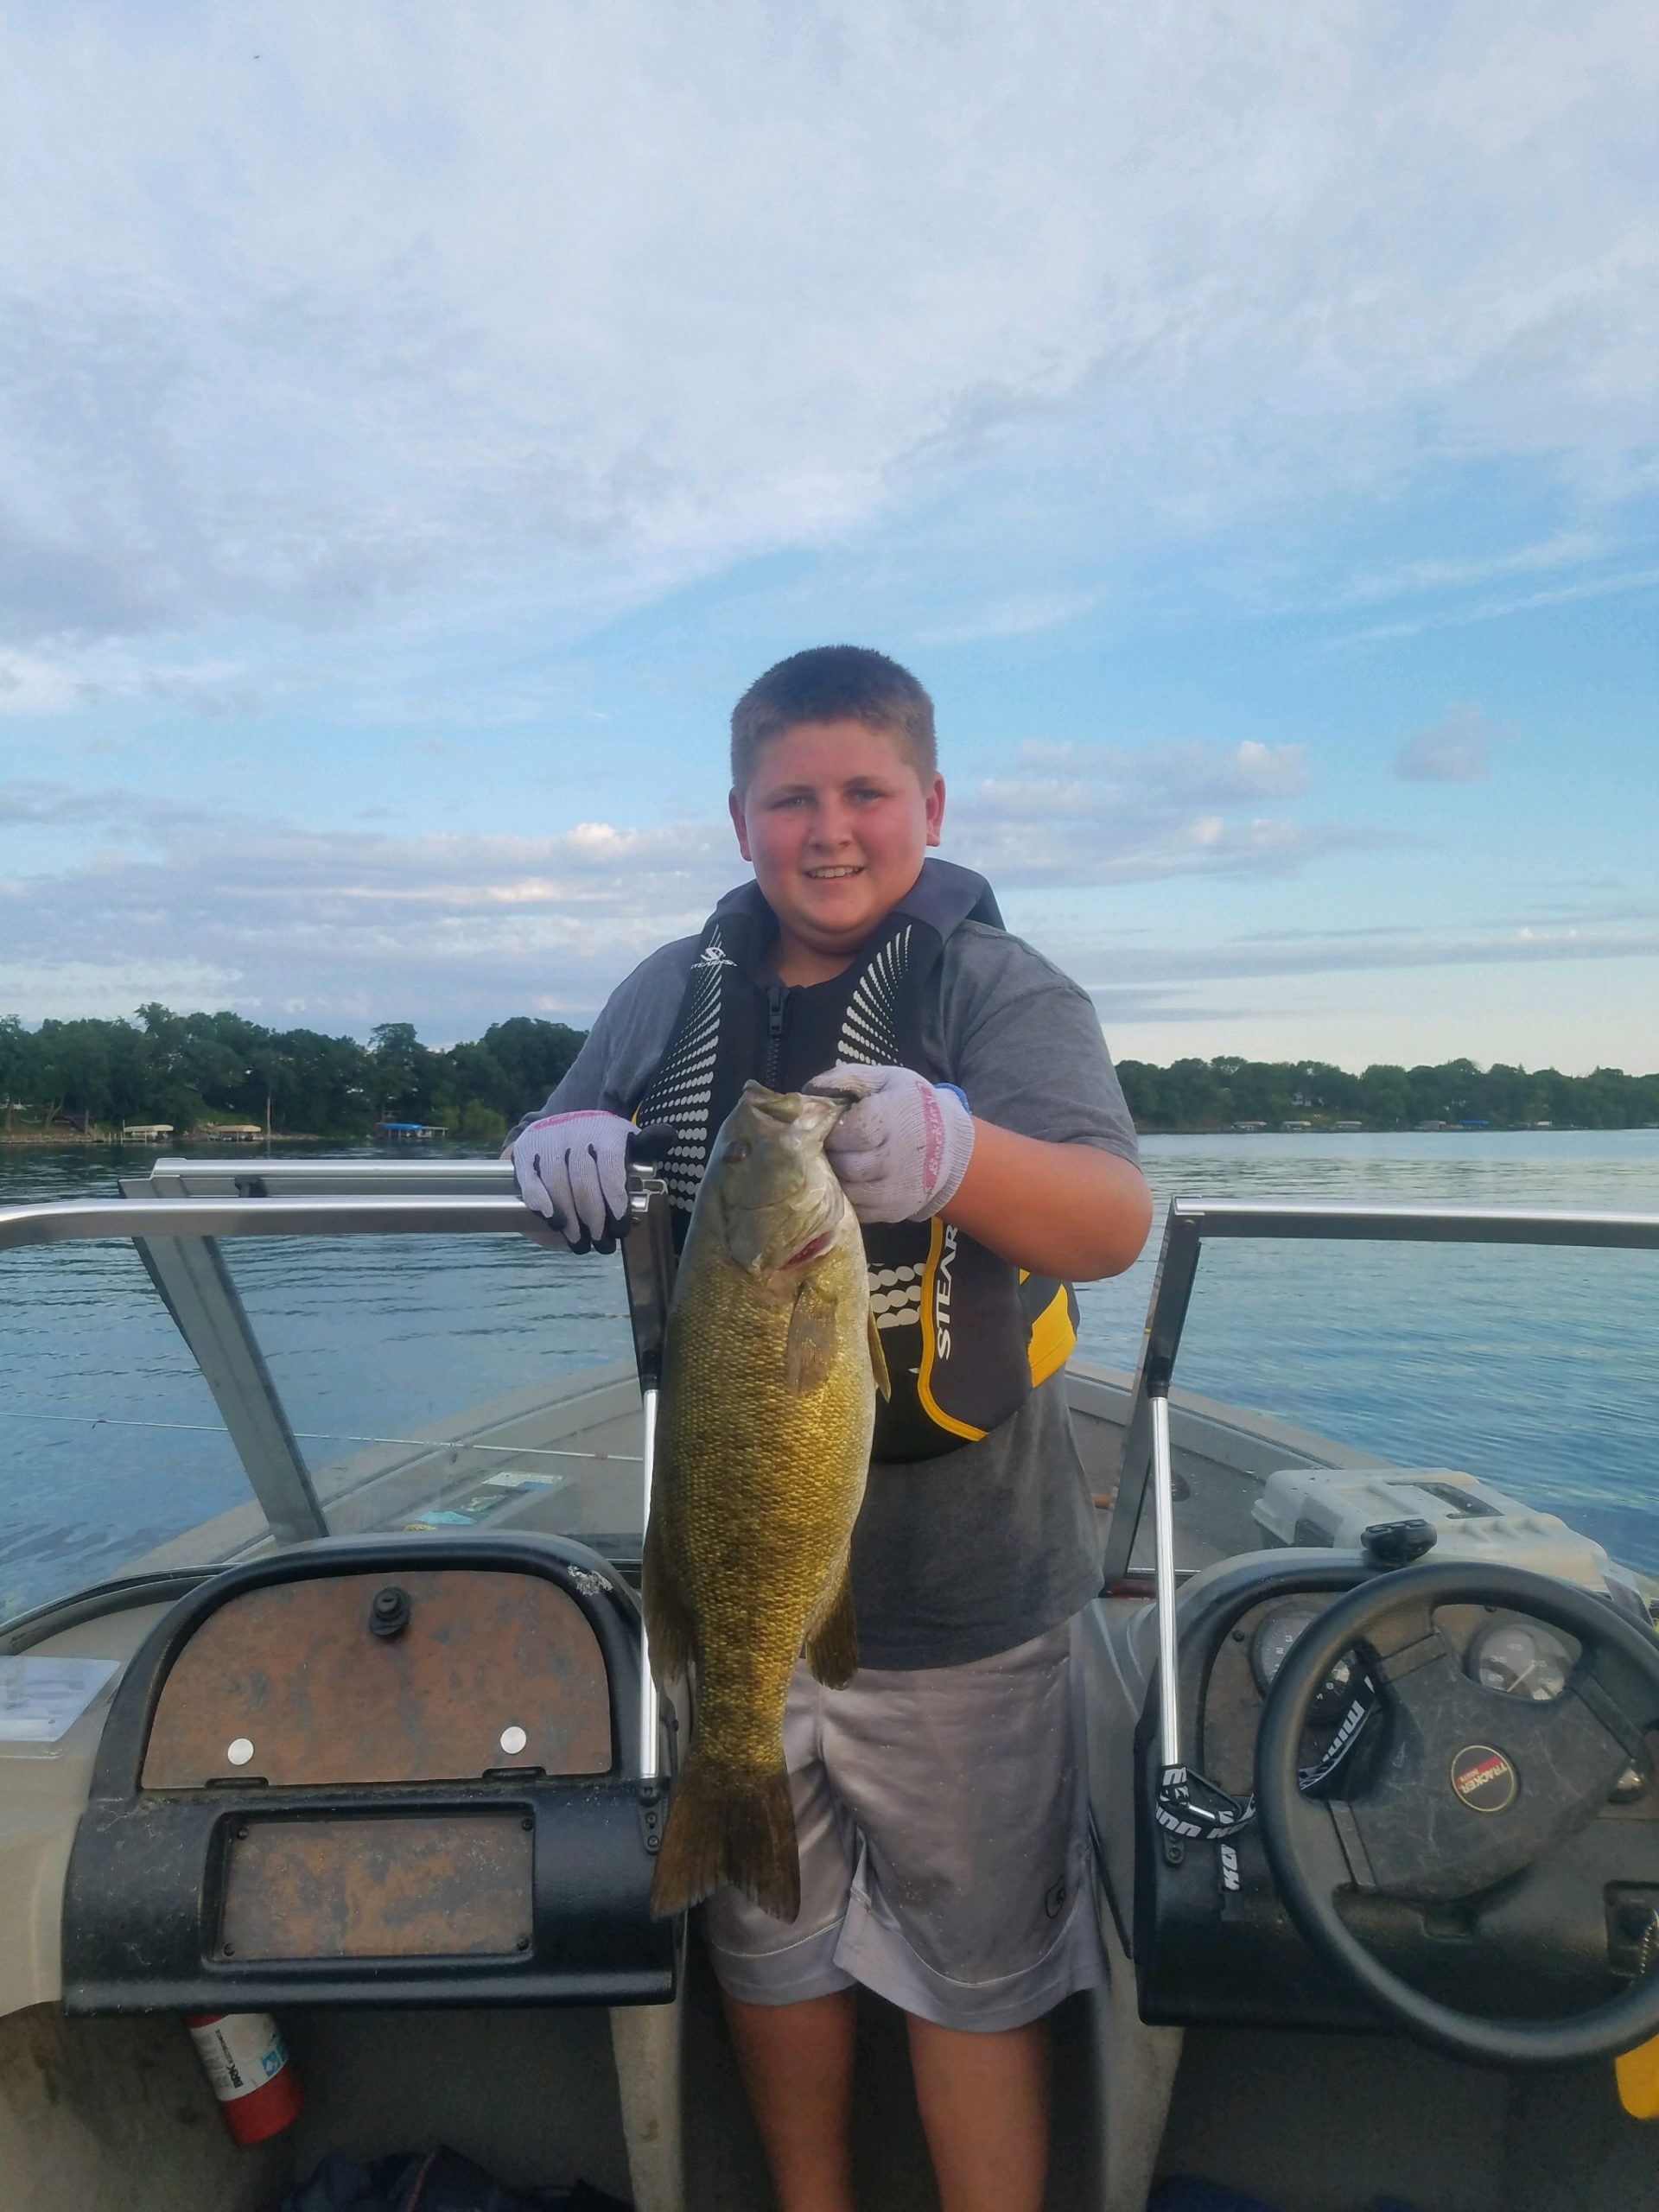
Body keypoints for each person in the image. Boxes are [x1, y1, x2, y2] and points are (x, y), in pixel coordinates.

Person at [507, 645, 1152, 2212]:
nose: (832, 827)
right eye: (792, 797)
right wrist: (552, 1139)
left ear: (931, 804)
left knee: (971, 1970)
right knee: (766, 1940)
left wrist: (964, 1151)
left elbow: (1111, 1220)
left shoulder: (1001, 990)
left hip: (969, 1599)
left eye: (868, 792)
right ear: (740, 821)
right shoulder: (672, 992)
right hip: (732, 1591)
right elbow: (563, 1151)